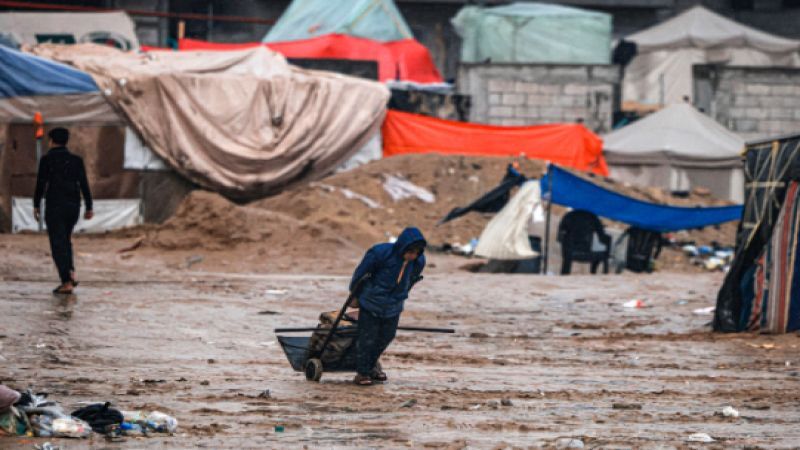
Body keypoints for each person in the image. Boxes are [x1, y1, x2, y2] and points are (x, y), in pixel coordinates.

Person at [348, 227, 426, 386]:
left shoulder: (419, 261)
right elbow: (360, 273)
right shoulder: (380, 253)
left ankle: (371, 366)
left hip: (394, 305)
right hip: (371, 302)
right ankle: (362, 373)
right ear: (403, 247)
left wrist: (401, 295)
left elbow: (411, 280)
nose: (413, 255)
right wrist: (354, 294)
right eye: (410, 251)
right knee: (367, 338)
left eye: (416, 252)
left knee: (387, 336)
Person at [33, 128, 93, 294]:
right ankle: (70, 272)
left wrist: (36, 204)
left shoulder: (47, 160)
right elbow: (84, 183)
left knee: (57, 243)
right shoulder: (76, 160)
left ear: (51, 141)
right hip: (73, 205)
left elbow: (41, 183)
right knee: (65, 240)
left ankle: (66, 281)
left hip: (55, 205)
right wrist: (89, 206)